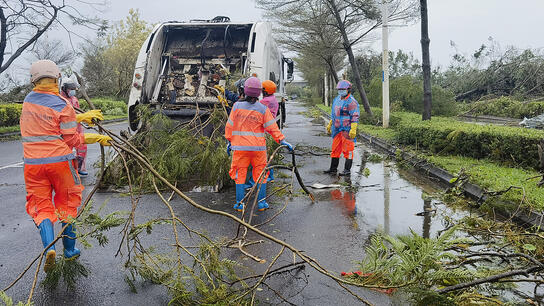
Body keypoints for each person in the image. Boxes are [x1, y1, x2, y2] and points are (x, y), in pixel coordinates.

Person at [21, 60, 112, 272]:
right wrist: (97, 138)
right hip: (60, 164)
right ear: (57, 78)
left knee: (41, 206)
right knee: (67, 205)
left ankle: (48, 247)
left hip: (33, 166)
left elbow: (48, 119)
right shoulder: (63, 105)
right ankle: (69, 250)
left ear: (33, 80)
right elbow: (72, 140)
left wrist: (80, 116)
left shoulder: (27, 102)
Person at [225, 77, 294, 212]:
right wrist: (282, 140)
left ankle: (240, 204)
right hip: (258, 149)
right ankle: (261, 203)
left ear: (244, 90)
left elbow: (229, 126)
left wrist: (229, 141)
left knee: (240, 175)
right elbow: (272, 127)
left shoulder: (237, 106)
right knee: (261, 174)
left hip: (240, 149)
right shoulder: (262, 109)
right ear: (259, 93)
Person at [324, 80, 360, 176]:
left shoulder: (352, 102)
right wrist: (330, 124)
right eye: (339, 89)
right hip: (337, 129)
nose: (341, 91)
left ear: (348, 89)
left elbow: (355, 116)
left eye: (343, 89)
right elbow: (334, 114)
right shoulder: (337, 99)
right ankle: (333, 169)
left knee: (348, 150)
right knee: (335, 149)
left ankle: (347, 170)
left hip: (347, 130)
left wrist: (353, 128)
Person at [60, 79, 88, 176]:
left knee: (82, 148)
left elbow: (78, 112)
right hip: (66, 131)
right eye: (70, 89)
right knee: (67, 150)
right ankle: (67, 170)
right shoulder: (60, 100)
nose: (72, 91)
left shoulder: (74, 99)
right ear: (64, 89)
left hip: (77, 128)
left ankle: (80, 167)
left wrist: (84, 118)